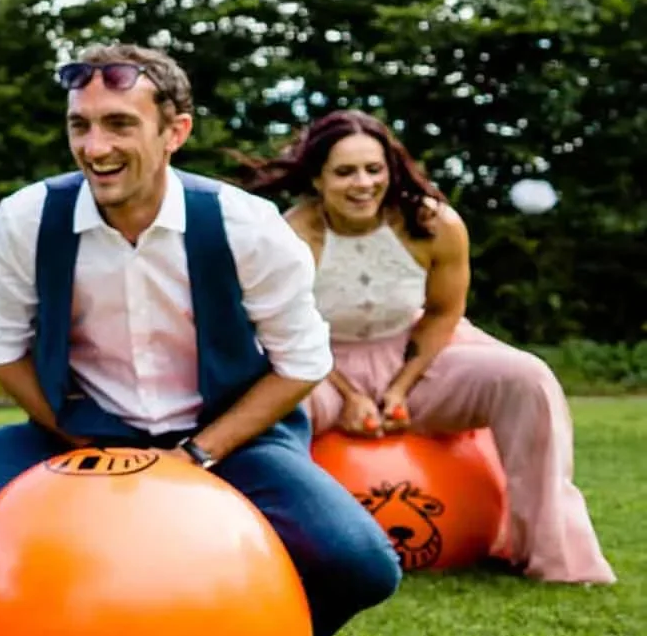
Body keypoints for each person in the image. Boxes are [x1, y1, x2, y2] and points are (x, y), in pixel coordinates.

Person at [0, 43, 401, 636]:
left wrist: (199, 452)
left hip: (232, 435)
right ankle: (53, 634)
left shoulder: (244, 225)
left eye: (120, 124)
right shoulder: (25, 221)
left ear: (175, 131)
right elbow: (0, 347)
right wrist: (71, 434)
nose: (94, 145)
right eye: (81, 125)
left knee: (359, 561)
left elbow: (302, 361)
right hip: (83, 432)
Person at [244, 109, 614, 584]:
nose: (363, 183)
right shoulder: (289, 235)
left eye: (374, 170)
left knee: (528, 378)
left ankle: (550, 554)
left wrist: (399, 389)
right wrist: (352, 396)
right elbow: (282, 327)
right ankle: (272, 554)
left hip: (416, 355)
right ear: (317, 178)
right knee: (258, 407)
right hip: (319, 366)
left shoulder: (435, 224)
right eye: (345, 172)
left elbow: (443, 313)